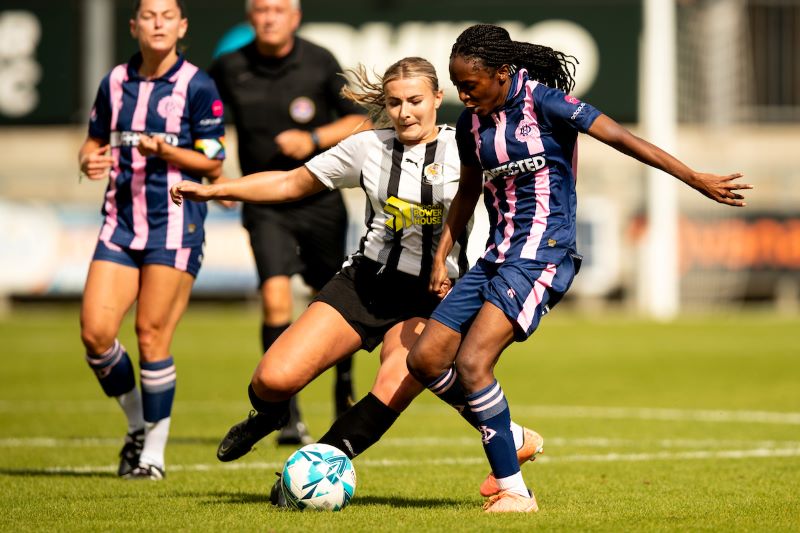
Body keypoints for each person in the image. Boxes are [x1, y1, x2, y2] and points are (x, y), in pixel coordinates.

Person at [405, 24, 752, 513]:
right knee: (423, 360)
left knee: (472, 363)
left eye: (470, 86)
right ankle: (513, 435)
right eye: (458, 86)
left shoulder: (547, 104)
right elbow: (467, 191)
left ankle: (514, 492)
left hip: (543, 254)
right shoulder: (471, 124)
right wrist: (442, 255)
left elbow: (625, 139)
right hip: (494, 257)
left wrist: (692, 177)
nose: (463, 95)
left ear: (502, 73)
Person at [171, 56, 543, 502]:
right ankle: (268, 416)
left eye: (415, 101)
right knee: (272, 379)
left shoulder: (470, 146)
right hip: (365, 284)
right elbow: (291, 183)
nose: (405, 112)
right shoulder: (368, 147)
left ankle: (307, 476)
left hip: (433, 295)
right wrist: (217, 188)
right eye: (395, 102)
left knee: (392, 383)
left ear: (438, 99)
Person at [207, 0, 371, 444]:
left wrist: (313, 138)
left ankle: (344, 389)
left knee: (333, 302)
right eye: (261, 9)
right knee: (276, 301)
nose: (269, 17)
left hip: (319, 199)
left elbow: (360, 118)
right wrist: (214, 170)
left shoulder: (319, 61)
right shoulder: (228, 66)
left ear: (295, 17)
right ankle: (286, 413)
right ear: (249, 17)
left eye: (278, 9)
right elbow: (207, 125)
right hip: (265, 203)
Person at [78, 0, 226, 480]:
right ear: (134, 25)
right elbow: (94, 139)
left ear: (182, 26)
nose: (158, 23)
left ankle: (152, 456)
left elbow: (214, 162)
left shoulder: (197, 86)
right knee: (96, 337)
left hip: (174, 226)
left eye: (168, 15)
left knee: (151, 335)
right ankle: (138, 422)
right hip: (120, 225)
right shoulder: (115, 82)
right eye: (149, 15)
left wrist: (167, 150)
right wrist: (88, 160)